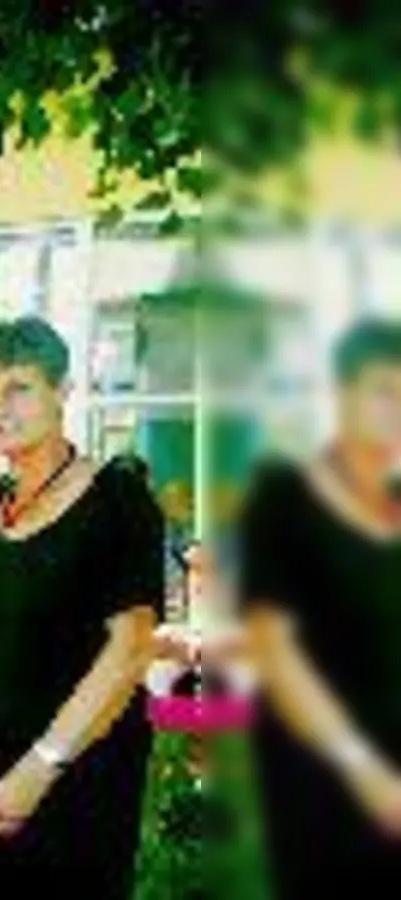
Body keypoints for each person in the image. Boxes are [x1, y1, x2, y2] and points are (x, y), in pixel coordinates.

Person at [0, 318, 161, 897]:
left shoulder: (117, 500)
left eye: (19, 388)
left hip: (76, 795)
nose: (0, 407)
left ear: (61, 392)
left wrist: (38, 770)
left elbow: (128, 650)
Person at [241, 318, 401, 896]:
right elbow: (276, 651)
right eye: (385, 391)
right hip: (325, 781)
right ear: (342, 395)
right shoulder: (285, 499)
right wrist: (365, 771)